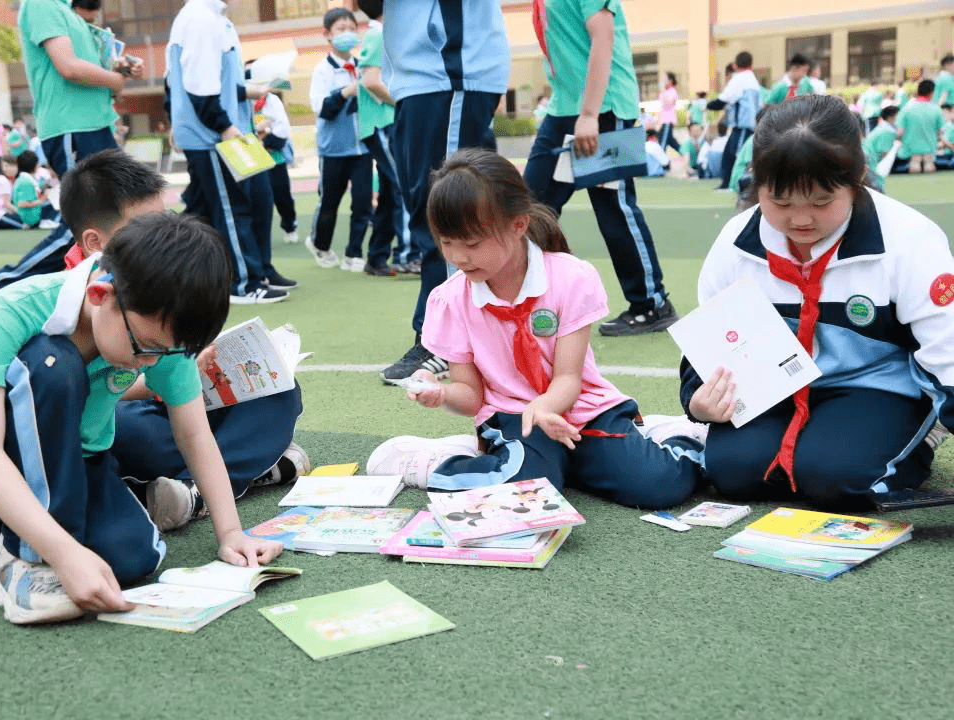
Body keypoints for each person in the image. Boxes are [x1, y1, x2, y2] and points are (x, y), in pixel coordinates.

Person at [0, 209, 285, 625]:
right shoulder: (13, 310)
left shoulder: (162, 336)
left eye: (165, 352)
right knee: (55, 363)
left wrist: (231, 533)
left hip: (70, 467)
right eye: (146, 347)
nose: (148, 363)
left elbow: (195, 436)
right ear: (100, 295)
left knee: (135, 557)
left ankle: (26, 530)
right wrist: (64, 554)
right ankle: (26, 563)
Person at [681, 94, 954, 509]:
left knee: (834, 478)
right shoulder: (736, 246)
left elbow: (948, 352)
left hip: (874, 385)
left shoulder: (910, 241)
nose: (801, 220)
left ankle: (920, 433)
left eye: (822, 201)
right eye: (780, 202)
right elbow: (707, 346)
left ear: (858, 178)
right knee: (734, 472)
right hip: (773, 389)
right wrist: (697, 399)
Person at [398, 149, 700, 505]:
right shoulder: (450, 300)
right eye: (446, 243)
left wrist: (545, 407)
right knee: (528, 489)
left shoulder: (570, 278)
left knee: (660, 485)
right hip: (513, 417)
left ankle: (673, 435)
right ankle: (426, 460)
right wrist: (443, 394)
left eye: (472, 243)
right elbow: (471, 396)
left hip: (581, 408)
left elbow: (568, 378)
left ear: (518, 225)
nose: (458, 257)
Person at [54, 150, 308, 529]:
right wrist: (161, 376)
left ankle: (191, 491)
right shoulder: (68, 298)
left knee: (280, 392)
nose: (162, 237)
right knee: (132, 436)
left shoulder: (164, 276)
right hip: (128, 411)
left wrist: (190, 360)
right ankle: (253, 468)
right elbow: (74, 395)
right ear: (95, 242)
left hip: (183, 399)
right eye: (144, 226)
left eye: (164, 221)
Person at [358, 0, 509, 384]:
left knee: (448, 213)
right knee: (431, 211)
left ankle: (446, 341)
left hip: (448, 74)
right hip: (422, 78)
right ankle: (474, 329)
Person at [522, 0, 679, 337]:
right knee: (528, 207)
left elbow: (602, 37)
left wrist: (590, 113)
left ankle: (651, 304)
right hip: (564, 107)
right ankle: (532, 298)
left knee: (614, 209)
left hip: (603, 108)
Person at [0, 0, 141, 293]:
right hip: (72, 127)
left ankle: (101, 285)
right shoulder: (42, 4)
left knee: (118, 211)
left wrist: (121, 66)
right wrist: (116, 80)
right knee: (84, 222)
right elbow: (68, 66)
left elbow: (85, 63)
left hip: (94, 125)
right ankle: (7, 281)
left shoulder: (69, 11)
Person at [166, 0, 295, 305]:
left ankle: (174, 277)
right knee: (231, 209)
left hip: (213, 130)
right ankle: (244, 284)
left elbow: (186, 79)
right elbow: (199, 85)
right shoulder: (201, 19)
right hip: (212, 135)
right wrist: (222, 125)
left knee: (203, 213)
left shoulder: (209, 17)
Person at [305, 7, 372, 273]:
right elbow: (322, 108)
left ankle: (354, 253)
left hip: (363, 147)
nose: (347, 34)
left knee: (363, 202)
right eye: (340, 29)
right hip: (333, 150)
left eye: (351, 28)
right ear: (327, 35)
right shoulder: (323, 70)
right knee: (330, 202)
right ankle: (320, 244)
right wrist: (345, 92)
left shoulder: (363, 66)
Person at [357, 5, 416, 277]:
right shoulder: (380, 34)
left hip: (383, 122)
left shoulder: (379, 33)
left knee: (392, 193)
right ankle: (408, 254)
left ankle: (377, 256)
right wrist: (403, 100)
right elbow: (371, 80)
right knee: (404, 187)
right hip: (383, 122)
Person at [707, 51, 761, 190]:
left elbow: (723, 100)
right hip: (750, 125)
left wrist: (707, 106)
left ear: (736, 65)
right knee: (729, 154)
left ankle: (739, 185)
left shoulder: (739, 79)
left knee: (738, 157)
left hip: (744, 126)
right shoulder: (754, 80)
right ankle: (727, 183)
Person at [252, 90, 299, 245]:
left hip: (275, 158)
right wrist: (258, 131)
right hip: (253, 158)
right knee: (257, 198)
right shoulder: (242, 99)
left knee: (281, 195)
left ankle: (290, 226)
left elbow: (281, 129)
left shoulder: (272, 101)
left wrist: (264, 138)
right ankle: (260, 233)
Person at [895, 79, 944, 173]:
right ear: (931, 92)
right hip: (929, 148)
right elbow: (940, 132)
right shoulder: (936, 109)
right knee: (929, 165)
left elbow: (900, 132)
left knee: (914, 165)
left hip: (911, 148)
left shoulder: (907, 108)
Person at [862, 106, 901, 190]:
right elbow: (885, 155)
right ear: (891, 117)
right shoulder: (888, 131)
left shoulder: (883, 128)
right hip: (871, 164)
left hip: (868, 162)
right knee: (877, 189)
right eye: (899, 115)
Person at [657, 72, 681, 153]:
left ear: (670, 81)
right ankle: (689, 155)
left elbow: (669, 103)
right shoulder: (664, 91)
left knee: (662, 146)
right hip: (663, 122)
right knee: (672, 143)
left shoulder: (673, 91)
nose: (662, 81)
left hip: (668, 121)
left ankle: (660, 164)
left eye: (664, 79)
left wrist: (663, 90)